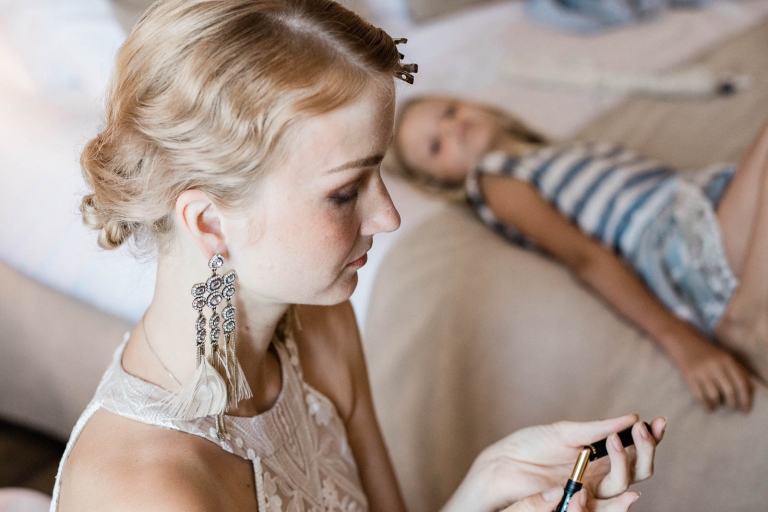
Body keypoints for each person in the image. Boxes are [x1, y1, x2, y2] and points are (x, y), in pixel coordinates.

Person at [51, 1, 664, 510]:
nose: (388, 216)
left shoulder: (319, 324)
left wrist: (489, 482)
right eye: (345, 192)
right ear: (210, 223)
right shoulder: (150, 491)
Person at [392, 95, 768, 414]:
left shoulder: (553, 153)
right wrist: (683, 343)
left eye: (449, 111)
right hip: (678, 239)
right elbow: (584, 259)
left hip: (708, 201)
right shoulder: (494, 178)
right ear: (440, 183)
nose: (451, 127)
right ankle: (743, 320)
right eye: (435, 146)